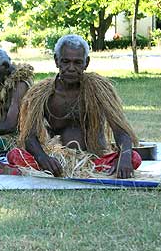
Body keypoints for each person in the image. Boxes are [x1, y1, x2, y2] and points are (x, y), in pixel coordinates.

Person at [8, 34, 141, 179]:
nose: (71, 68)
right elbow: (29, 137)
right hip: (57, 161)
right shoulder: (41, 93)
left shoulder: (99, 89)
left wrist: (125, 158)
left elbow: (121, 132)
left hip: (94, 161)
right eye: (65, 61)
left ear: (86, 63)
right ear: (56, 61)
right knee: (14, 155)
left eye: (78, 62)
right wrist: (43, 158)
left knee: (134, 157)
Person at [0, 48, 34, 155]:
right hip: (2, 136)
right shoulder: (3, 84)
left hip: (13, 142)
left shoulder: (20, 85)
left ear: (5, 66)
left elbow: (10, 125)